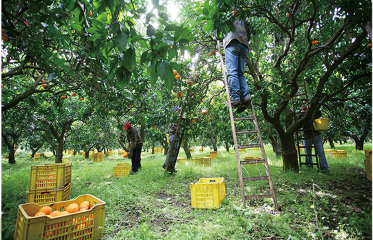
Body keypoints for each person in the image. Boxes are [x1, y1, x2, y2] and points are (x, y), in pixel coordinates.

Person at [223, 17, 251, 113]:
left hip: (232, 42)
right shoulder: (242, 17)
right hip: (244, 45)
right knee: (240, 74)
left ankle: (235, 97)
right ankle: (246, 96)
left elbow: (219, 32)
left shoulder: (225, 16)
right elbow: (248, 29)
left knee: (232, 72)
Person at [300, 104, 329, 173]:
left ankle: (324, 167)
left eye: (304, 104)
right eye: (301, 104)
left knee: (320, 151)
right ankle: (309, 167)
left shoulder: (314, 111)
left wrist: (312, 108)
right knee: (307, 152)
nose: (302, 105)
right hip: (306, 134)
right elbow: (296, 123)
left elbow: (319, 114)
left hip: (316, 133)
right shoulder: (300, 114)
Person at [163, 106, 183, 173]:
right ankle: (166, 164)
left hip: (175, 135)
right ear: (174, 111)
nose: (179, 112)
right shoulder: (173, 118)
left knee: (174, 151)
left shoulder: (176, 118)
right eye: (178, 110)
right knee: (171, 150)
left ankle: (171, 166)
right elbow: (175, 126)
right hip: (173, 135)